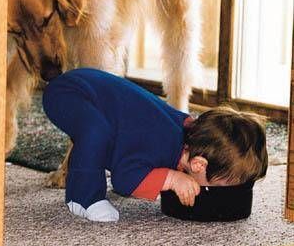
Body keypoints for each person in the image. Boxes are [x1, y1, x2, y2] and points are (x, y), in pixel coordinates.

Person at [42, 68, 268, 222]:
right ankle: (82, 197)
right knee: (96, 132)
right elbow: (123, 179)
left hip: (90, 86)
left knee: (104, 132)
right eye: (224, 185)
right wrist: (171, 178)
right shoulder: (159, 146)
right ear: (198, 165)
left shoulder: (187, 135)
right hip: (68, 93)